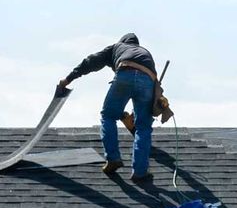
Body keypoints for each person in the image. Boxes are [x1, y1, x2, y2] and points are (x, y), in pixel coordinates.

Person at [59, 33, 170, 182]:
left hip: (125, 73)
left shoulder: (117, 47)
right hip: (148, 80)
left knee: (109, 116)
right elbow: (149, 84)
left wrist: (68, 79)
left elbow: (90, 62)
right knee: (143, 127)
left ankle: (112, 158)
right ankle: (139, 172)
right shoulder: (145, 53)